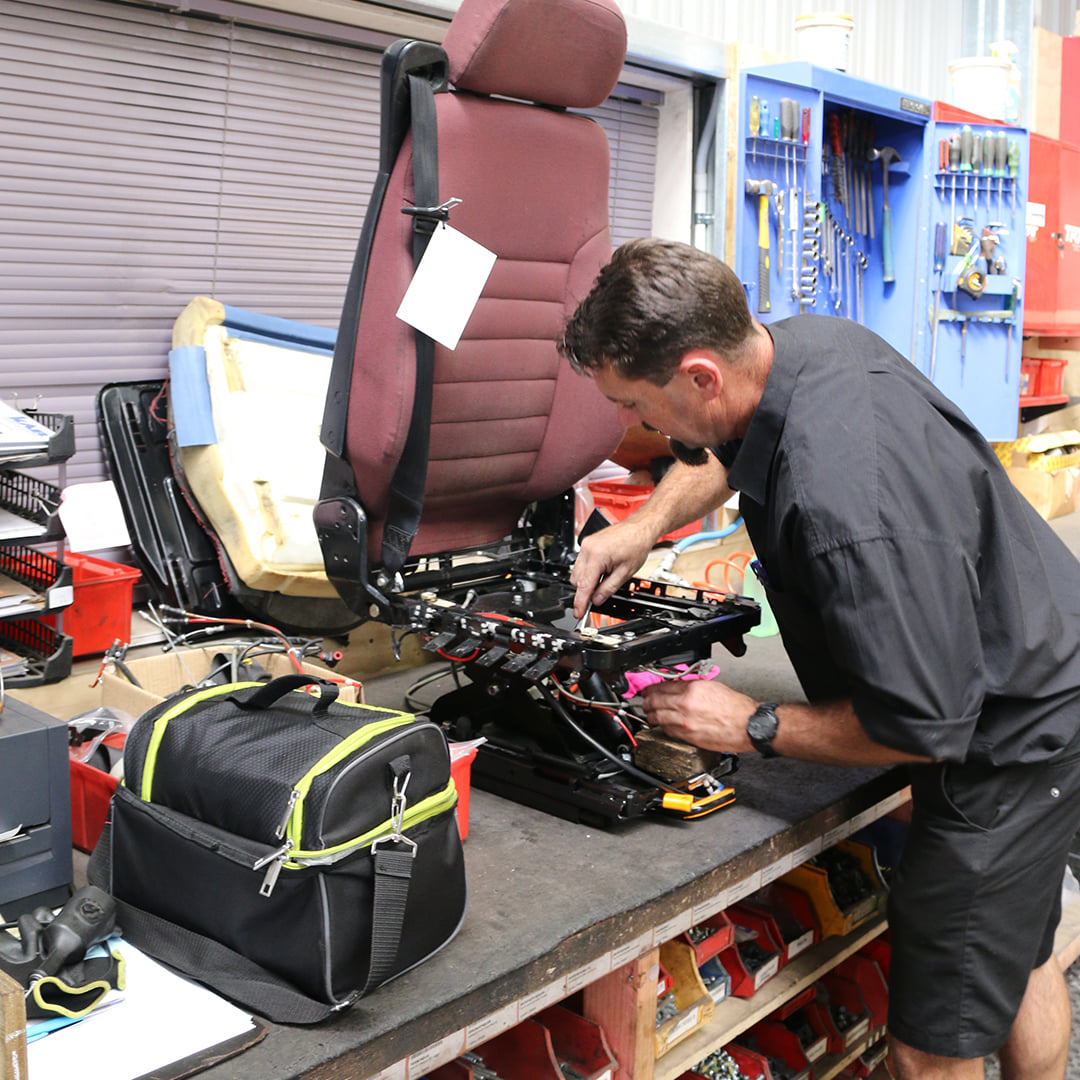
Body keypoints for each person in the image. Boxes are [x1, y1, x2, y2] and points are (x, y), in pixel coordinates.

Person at [559, 237, 1080, 1080]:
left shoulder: (847, 502)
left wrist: (751, 723)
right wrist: (644, 525)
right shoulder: (794, 351)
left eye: (643, 409)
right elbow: (724, 447)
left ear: (700, 375)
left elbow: (925, 724)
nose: (647, 431)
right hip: (1036, 645)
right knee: (1017, 955)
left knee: (930, 1044)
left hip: (1008, 737)